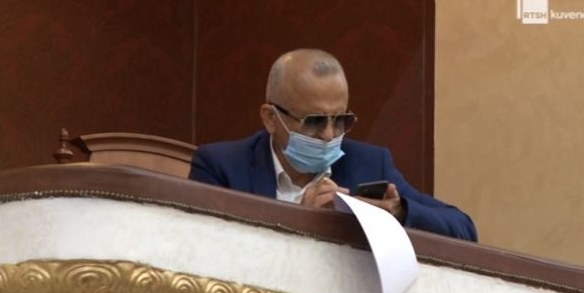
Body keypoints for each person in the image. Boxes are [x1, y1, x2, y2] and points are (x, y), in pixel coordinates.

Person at [189, 49, 477, 241]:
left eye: (340, 120)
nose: (328, 135)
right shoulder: (221, 167)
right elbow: (202, 252)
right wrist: (296, 222)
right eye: (314, 121)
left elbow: (464, 229)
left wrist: (399, 212)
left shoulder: (370, 164)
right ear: (271, 118)